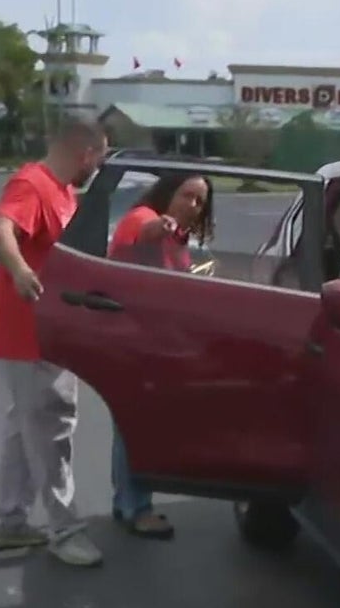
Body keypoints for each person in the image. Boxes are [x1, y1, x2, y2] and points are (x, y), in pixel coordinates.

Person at [0, 120, 109, 567]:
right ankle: (65, 530)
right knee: (52, 431)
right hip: (29, 334)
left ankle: (7, 520)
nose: (99, 167)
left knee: (26, 430)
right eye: (101, 158)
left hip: (49, 332)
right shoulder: (32, 185)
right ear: (86, 153)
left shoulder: (63, 191)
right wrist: (19, 271)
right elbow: (0, 230)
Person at [106, 173, 214, 539]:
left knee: (132, 424)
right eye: (187, 195)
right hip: (135, 340)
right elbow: (144, 233)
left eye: (200, 202)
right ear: (168, 192)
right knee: (138, 424)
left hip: (150, 339)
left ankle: (127, 501)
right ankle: (136, 508)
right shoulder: (144, 219)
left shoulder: (177, 235)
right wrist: (160, 227)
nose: (193, 206)